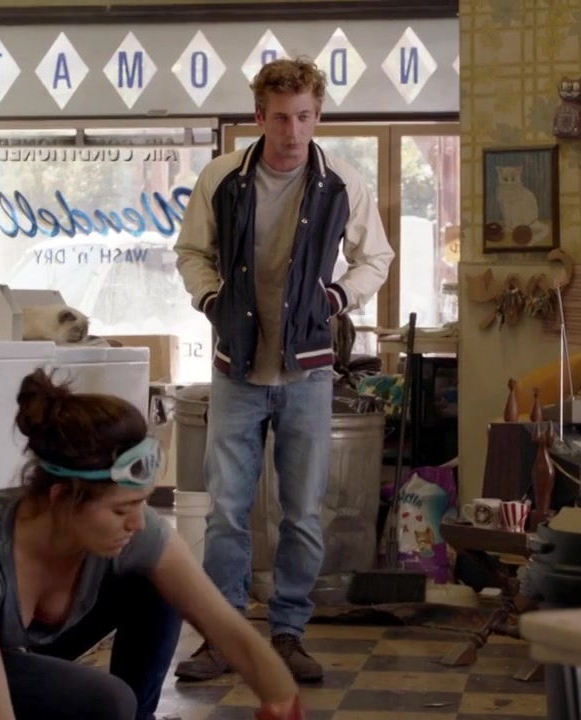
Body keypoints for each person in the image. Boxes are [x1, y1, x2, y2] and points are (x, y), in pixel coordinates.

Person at [0, 368, 306, 720]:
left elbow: (225, 627)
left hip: (15, 649)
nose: (137, 522)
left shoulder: (131, 528)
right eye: (120, 509)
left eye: (141, 503)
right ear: (62, 498)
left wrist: (280, 695)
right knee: (106, 701)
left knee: (158, 582)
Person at [172, 57, 395, 683]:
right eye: (279, 118)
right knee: (227, 511)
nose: (292, 132)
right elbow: (191, 251)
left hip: (308, 373)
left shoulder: (343, 183)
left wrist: (336, 298)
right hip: (236, 368)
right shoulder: (221, 177)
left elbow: (375, 258)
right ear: (259, 117)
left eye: (303, 117)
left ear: (317, 116)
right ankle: (223, 638)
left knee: (301, 513)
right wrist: (211, 299)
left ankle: (290, 634)